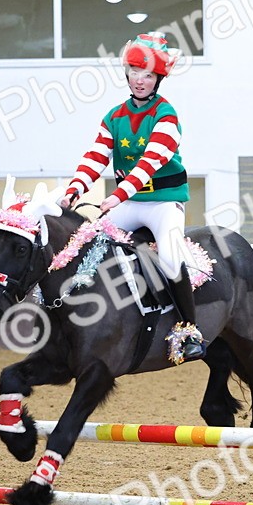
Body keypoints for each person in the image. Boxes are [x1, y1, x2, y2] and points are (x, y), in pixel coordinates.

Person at [59, 32, 205, 364]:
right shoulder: (114, 116)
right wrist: (75, 189)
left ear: (158, 79)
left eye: (149, 75)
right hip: (128, 204)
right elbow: (95, 157)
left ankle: (189, 331)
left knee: (169, 257)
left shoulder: (166, 115)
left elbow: (148, 163)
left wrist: (117, 196)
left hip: (163, 204)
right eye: (135, 72)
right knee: (87, 243)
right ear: (127, 74)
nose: (140, 80)